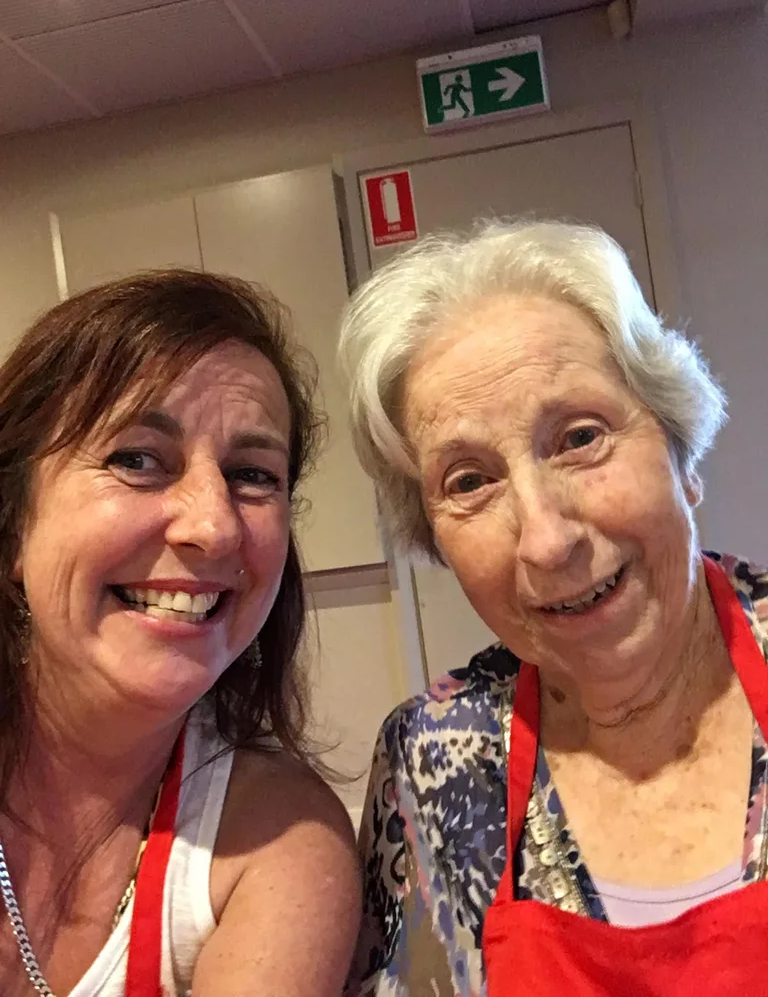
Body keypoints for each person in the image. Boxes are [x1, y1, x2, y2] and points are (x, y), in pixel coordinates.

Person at [338, 219, 768, 996]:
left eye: (579, 437)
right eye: (469, 481)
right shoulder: (433, 758)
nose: (545, 539)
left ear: (681, 451)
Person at [0, 269, 360, 996]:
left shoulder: (280, 843)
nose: (214, 525)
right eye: (136, 459)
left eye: (253, 475)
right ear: (13, 523)